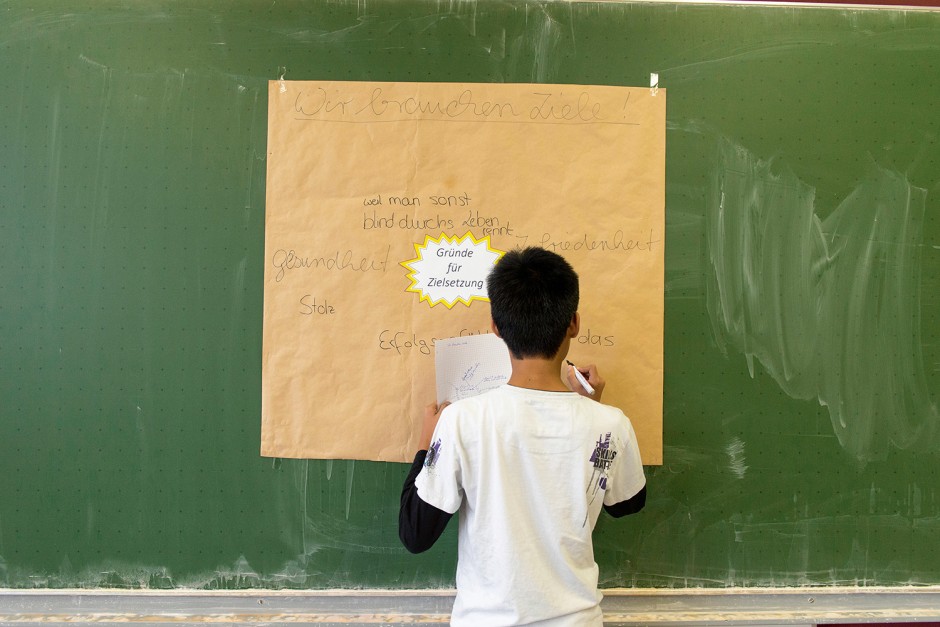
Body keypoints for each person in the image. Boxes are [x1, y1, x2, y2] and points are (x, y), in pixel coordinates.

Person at [399, 247, 647, 626]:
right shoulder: (610, 424)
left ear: (496, 328)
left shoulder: (461, 421)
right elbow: (627, 503)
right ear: (574, 324)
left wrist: (425, 446)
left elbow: (415, 534)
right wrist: (594, 410)